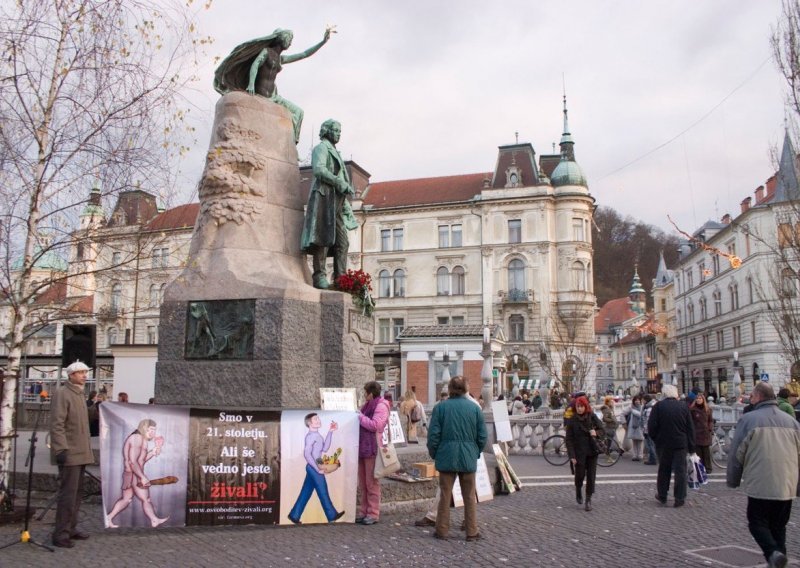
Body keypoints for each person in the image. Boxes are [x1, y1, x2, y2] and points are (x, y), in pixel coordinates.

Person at [213, 27, 333, 143]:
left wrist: (322, 42)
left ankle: (291, 143)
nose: (290, 43)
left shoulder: (281, 59)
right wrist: (250, 84)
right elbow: (255, 65)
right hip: (261, 93)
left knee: (299, 112)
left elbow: (304, 54)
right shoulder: (266, 52)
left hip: (274, 97)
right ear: (282, 39)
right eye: (290, 39)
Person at [727, 382, 800, 568]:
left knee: (756, 522)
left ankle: (772, 553)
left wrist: (733, 479)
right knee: (779, 525)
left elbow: (737, 453)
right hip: (787, 483)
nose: (750, 399)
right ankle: (777, 560)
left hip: (761, 482)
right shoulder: (791, 421)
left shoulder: (749, 419)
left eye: (751, 396)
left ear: (759, 397)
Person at [427, 376, 487, 541]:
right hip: (468, 454)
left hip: (446, 454)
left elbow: (433, 435)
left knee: (445, 494)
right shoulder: (475, 408)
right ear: (466, 389)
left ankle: (442, 530)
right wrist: (475, 451)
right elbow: (482, 436)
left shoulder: (441, 408)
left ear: (450, 389)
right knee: (469, 495)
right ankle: (472, 531)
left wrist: (435, 453)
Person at [300, 119, 357, 289]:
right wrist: (339, 182)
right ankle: (319, 276)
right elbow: (319, 169)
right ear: (327, 131)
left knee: (343, 242)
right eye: (336, 130)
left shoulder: (335, 152)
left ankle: (341, 280)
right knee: (323, 237)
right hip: (324, 198)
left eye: (340, 131)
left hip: (337, 202)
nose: (339, 134)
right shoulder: (321, 148)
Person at [49, 361, 95, 548]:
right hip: (70, 452)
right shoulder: (63, 393)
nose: (84, 375)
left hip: (81, 451)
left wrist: (98, 407)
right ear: (71, 375)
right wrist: (60, 448)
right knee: (68, 494)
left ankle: (71, 527)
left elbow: (83, 420)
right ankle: (60, 534)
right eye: (80, 373)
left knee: (77, 493)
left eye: (85, 372)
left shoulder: (79, 394)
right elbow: (57, 423)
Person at [105, 419, 169, 528]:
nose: (153, 433)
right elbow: (132, 462)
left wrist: (153, 452)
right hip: (134, 474)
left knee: (126, 499)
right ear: (144, 428)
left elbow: (141, 460)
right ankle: (154, 520)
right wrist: (142, 477)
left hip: (131, 473)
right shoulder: (137, 439)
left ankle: (109, 517)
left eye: (155, 430)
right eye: (151, 429)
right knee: (145, 499)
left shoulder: (141, 439)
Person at [287, 413, 346, 524]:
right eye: (315, 419)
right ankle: (332, 515)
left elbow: (324, 448)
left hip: (315, 466)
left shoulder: (317, 435)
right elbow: (307, 454)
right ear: (309, 423)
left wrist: (330, 432)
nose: (318, 420)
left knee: (306, 492)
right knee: (323, 491)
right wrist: (317, 468)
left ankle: (294, 515)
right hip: (314, 467)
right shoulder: (310, 437)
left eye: (318, 418)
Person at [648, 384, 695, 507]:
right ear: (675, 394)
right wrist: (691, 447)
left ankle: (662, 495)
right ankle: (679, 498)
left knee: (664, 469)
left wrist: (656, 439)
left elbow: (651, 427)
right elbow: (690, 428)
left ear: (664, 394)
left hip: (663, 443)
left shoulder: (658, 407)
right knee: (680, 471)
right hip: (680, 443)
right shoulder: (684, 407)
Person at [356, 381, 390, 525]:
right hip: (363, 447)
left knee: (372, 482)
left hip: (372, 448)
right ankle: (364, 511)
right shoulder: (367, 405)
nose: (364, 395)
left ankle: (373, 513)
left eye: (365, 392)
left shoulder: (381, 406)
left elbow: (376, 425)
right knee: (363, 483)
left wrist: (359, 416)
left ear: (371, 393)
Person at [565, 395, 604, 511]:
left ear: (585, 407)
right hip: (579, 452)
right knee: (580, 475)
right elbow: (569, 439)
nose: (580, 409)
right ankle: (578, 489)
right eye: (578, 406)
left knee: (591, 476)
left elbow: (603, 429)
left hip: (592, 451)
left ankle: (588, 499)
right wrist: (572, 455)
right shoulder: (572, 420)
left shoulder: (592, 417)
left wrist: (596, 432)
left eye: (582, 406)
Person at [689, 393, 714, 474]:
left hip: (705, 433)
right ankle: (699, 468)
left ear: (703, 400)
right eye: (697, 398)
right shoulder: (692, 410)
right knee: (698, 453)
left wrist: (710, 428)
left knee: (706, 452)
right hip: (697, 433)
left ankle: (708, 468)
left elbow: (710, 420)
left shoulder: (708, 409)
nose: (698, 400)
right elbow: (690, 422)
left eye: (700, 398)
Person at [624, 395, 645, 461]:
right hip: (632, 426)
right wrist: (624, 422)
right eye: (636, 400)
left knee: (640, 441)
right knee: (634, 441)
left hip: (640, 426)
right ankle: (635, 455)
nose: (637, 401)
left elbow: (641, 415)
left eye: (638, 400)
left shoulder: (642, 407)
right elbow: (623, 413)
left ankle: (640, 455)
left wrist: (633, 411)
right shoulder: (630, 407)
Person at [641, 394, 658, 465]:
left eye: (643, 399)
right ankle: (652, 458)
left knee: (650, 445)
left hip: (649, 430)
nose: (642, 401)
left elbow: (648, 421)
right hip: (651, 429)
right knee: (651, 445)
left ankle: (653, 459)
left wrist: (645, 430)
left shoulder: (649, 408)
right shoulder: (652, 406)